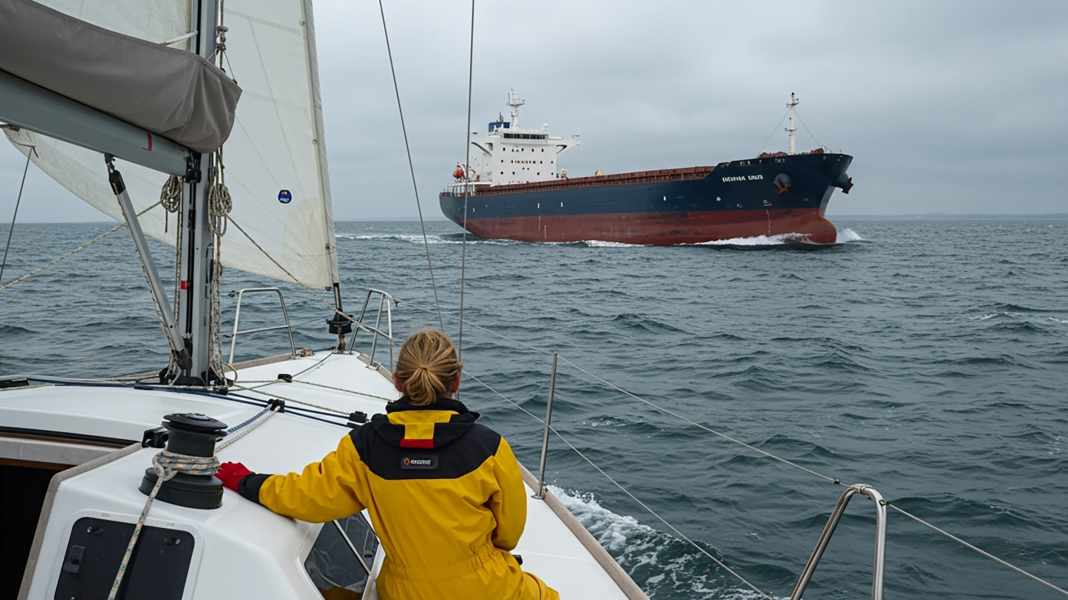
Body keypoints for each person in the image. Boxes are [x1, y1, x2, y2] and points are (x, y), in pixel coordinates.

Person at [216, 329, 558, 600]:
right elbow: (509, 534)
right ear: (456, 381)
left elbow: (307, 497)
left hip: (405, 592)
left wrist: (245, 480)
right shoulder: (489, 448)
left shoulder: (364, 447)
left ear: (398, 382)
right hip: (488, 590)